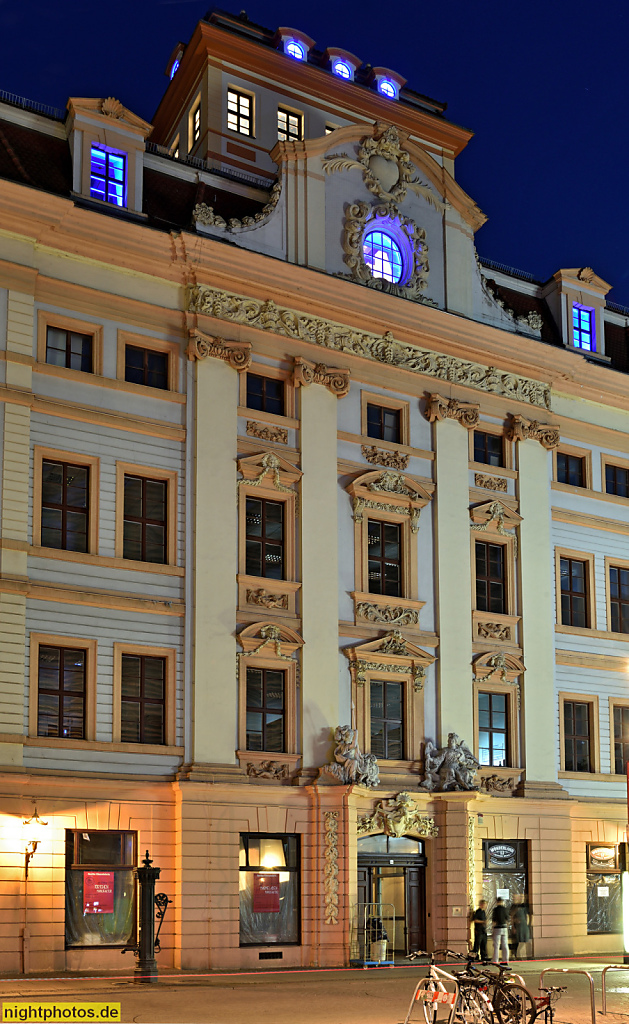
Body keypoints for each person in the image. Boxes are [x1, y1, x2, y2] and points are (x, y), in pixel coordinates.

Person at [509, 894, 530, 960]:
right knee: (517, 941)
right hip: (517, 926)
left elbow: (527, 916)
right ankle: (516, 954)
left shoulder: (525, 906)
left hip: (523, 925)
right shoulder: (514, 906)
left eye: (522, 897)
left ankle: (520, 954)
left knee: (525, 940)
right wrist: (513, 926)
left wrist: (527, 924)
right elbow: (511, 916)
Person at [492, 897, 509, 964]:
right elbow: (507, 919)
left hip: (497, 928)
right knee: (505, 945)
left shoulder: (495, 910)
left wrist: (492, 928)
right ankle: (505, 960)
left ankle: (495, 960)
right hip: (504, 928)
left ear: (497, 902)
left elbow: (494, 920)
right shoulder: (505, 909)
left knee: (496, 945)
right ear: (502, 902)